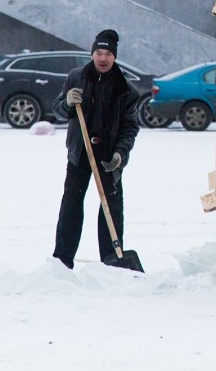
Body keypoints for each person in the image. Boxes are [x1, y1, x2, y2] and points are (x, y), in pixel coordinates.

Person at [52, 29, 140, 269]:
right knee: (71, 204)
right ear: (92, 55)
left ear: (115, 57)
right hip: (80, 153)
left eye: (108, 54)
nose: (103, 58)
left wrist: (120, 155)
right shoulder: (76, 78)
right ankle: (62, 259)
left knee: (111, 208)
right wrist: (67, 103)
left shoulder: (126, 89)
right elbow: (59, 110)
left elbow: (130, 128)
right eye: (99, 53)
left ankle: (112, 260)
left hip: (108, 157)